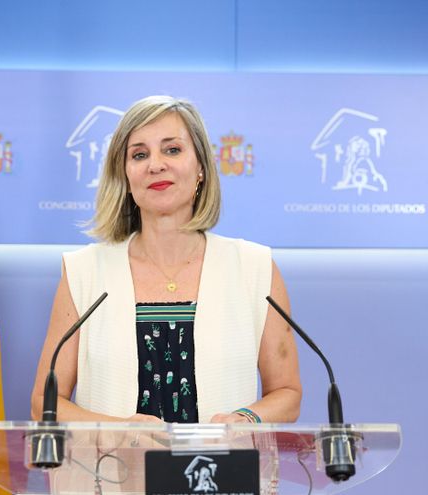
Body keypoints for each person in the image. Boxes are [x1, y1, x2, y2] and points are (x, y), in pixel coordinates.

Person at [31, 95, 301, 424]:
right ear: (125, 177)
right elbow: (45, 404)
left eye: (172, 149)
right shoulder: (84, 272)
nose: (155, 164)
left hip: (221, 472)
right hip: (110, 471)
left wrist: (245, 420)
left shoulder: (254, 268)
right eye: (139, 154)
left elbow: (287, 394)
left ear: (201, 167)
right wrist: (118, 431)